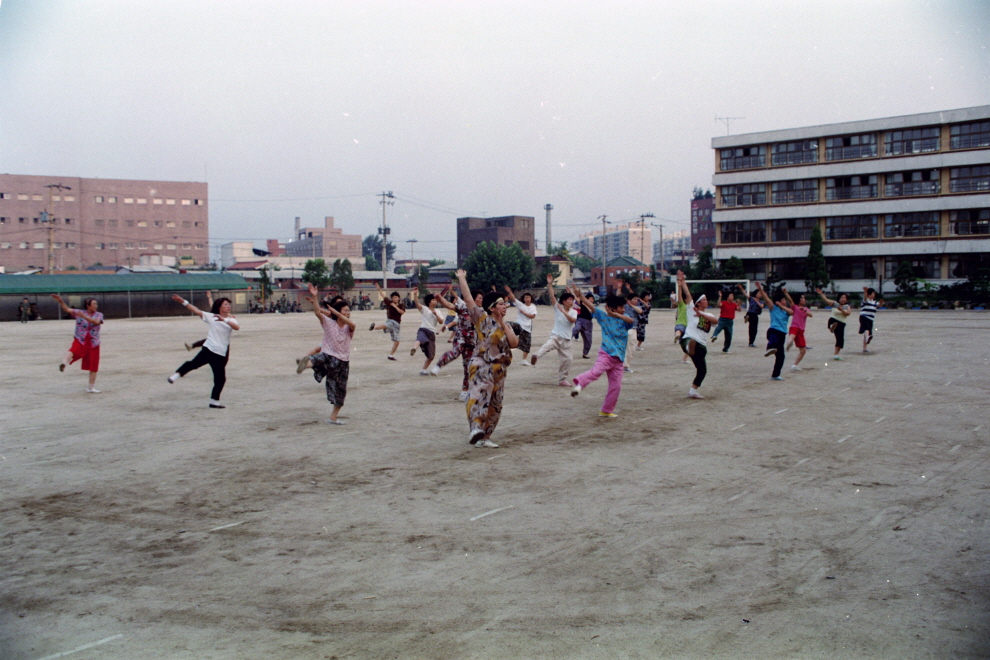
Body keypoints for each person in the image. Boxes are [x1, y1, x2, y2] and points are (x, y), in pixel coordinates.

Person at [457, 269, 518, 449]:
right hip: (482, 364)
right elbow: (469, 300)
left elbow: (514, 343)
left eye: (506, 304)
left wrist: (503, 325)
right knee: (479, 395)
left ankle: (485, 436)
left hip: (500, 369)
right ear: (492, 307)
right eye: (501, 304)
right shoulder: (481, 318)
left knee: (496, 404)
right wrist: (462, 279)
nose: (505, 306)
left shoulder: (507, 325)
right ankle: (475, 428)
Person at [569, 287, 636, 417]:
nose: (623, 309)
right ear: (611, 307)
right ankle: (579, 385)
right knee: (595, 372)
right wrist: (581, 297)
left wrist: (617, 314)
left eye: (623, 307)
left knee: (616, 387)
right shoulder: (603, 316)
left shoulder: (624, 317)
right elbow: (592, 307)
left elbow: (631, 321)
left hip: (619, 358)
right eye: (620, 307)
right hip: (606, 353)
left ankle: (606, 410)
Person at [167, 294, 239, 408]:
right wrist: (183, 301)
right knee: (193, 364)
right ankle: (176, 375)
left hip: (220, 353)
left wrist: (224, 319)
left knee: (220, 379)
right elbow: (196, 310)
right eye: (226, 304)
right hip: (209, 349)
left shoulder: (231, 319)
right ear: (219, 307)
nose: (228, 306)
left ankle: (214, 401)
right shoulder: (211, 317)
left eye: (229, 304)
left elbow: (236, 327)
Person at [301, 292, 355, 425]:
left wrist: (336, 313)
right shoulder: (329, 323)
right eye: (346, 310)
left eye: (349, 310)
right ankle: (305, 364)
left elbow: (353, 324)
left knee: (340, 391)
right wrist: (314, 297)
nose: (348, 312)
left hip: (343, 361)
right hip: (329, 355)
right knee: (320, 357)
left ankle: (333, 417)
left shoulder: (349, 326)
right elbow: (318, 313)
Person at [431, 285, 483, 401]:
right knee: (455, 352)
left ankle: (464, 391)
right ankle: (438, 366)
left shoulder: (481, 311)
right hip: (461, 338)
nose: (481, 300)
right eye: (479, 298)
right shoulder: (463, 307)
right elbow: (449, 305)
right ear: (472, 299)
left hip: (473, 342)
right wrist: (440, 299)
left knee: (468, 367)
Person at [529, 273, 578, 386]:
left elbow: (572, 320)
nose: (571, 302)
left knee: (567, 360)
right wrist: (549, 284)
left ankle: (562, 380)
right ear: (564, 301)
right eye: (569, 300)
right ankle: (536, 356)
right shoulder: (557, 307)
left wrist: (563, 311)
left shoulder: (573, 311)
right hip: (556, 335)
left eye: (572, 300)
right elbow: (552, 296)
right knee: (546, 347)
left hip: (566, 339)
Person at [676, 271, 718, 399]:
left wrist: (702, 314)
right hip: (687, 339)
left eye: (706, 299)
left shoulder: (709, 315)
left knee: (702, 370)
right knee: (690, 341)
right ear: (698, 303)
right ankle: (689, 349)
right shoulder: (691, 309)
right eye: (703, 300)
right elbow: (688, 295)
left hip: (701, 345)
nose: (706, 301)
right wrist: (682, 282)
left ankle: (692, 391)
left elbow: (716, 321)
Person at [51, 294, 104, 393]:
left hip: (93, 341)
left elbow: (97, 322)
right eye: (94, 304)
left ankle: (91, 387)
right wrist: (60, 301)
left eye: (96, 304)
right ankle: (64, 362)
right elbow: (67, 309)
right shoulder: (79, 312)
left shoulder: (99, 314)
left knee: (94, 364)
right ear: (88, 306)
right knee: (73, 350)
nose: (96, 306)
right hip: (81, 338)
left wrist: (85, 317)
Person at [756, 282, 792, 380]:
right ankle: (769, 348)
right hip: (773, 330)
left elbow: (792, 312)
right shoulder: (773, 308)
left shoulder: (786, 310)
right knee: (773, 340)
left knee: (781, 356)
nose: (785, 301)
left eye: (785, 300)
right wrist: (760, 289)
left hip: (782, 334)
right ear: (778, 301)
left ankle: (775, 375)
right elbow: (766, 298)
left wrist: (782, 306)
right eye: (783, 300)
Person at [410, 291, 445, 374]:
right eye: (433, 300)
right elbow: (417, 304)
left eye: (436, 300)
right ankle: (414, 348)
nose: (435, 301)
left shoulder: (438, 311)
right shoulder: (425, 309)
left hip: (431, 333)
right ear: (429, 302)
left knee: (431, 356)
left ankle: (423, 370)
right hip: (423, 329)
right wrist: (415, 294)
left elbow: (441, 322)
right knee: (420, 338)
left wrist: (436, 314)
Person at [369, 283, 405, 360]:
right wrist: (379, 289)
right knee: (387, 325)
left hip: (397, 324)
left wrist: (395, 307)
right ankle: (375, 327)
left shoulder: (401, 305)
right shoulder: (389, 303)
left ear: (398, 298)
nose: (394, 299)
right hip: (391, 321)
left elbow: (402, 312)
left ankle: (391, 355)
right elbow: (383, 296)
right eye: (393, 298)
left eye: (396, 297)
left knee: (397, 342)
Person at [504, 286, 537, 363]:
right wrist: (510, 291)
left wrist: (524, 313)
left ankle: (524, 360)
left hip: (527, 327)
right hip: (519, 325)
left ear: (531, 298)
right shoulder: (521, 305)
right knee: (507, 324)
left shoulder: (533, 307)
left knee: (527, 344)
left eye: (529, 297)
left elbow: (532, 316)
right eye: (526, 297)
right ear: (524, 299)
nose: (527, 299)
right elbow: (513, 298)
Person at [817, 288, 852, 360]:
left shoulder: (847, 306)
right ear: (839, 298)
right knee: (833, 322)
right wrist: (821, 294)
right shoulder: (835, 304)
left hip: (841, 323)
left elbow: (848, 314)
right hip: (834, 320)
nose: (843, 299)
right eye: (842, 297)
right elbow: (826, 300)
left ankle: (836, 355)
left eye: (845, 298)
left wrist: (841, 310)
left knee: (840, 339)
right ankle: (831, 327)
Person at [784, 290, 813, 370]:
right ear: (799, 300)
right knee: (792, 337)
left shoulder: (806, 308)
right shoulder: (795, 307)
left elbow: (811, 315)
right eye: (802, 298)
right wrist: (786, 293)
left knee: (803, 350)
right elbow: (790, 300)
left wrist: (804, 310)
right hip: (794, 327)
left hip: (801, 331)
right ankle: (788, 344)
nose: (804, 300)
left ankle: (794, 365)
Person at [709, 289, 739, 353]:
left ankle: (726, 349)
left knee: (729, 336)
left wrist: (739, 304)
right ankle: (714, 336)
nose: (732, 297)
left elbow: (739, 309)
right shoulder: (724, 303)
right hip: (723, 319)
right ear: (727, 297)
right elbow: (718, 304)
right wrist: (720, 296)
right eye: (731, 296)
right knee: (718, 328)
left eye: (733, 296)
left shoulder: (734, 304)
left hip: (730, 321)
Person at [572, 291, 595, 359]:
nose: (592, 300)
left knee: (588, 340)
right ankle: (566, 338)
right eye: (591, 298)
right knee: (576, 329)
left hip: (588, 323)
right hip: (580, 320)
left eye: (593, 299)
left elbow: (591, 311)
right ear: (587, 299)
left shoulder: (592, 307)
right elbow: (576, 298)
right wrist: (571, 291)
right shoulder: (582, 303)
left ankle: (585, 354)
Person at [673, 271, 690, 363]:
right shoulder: (682, 305)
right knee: (679, 329)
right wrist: (679, 286)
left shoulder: (692, 308)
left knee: (688, 345)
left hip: (689, 327)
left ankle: (684, 358)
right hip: (681, 323)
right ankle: (677, 335)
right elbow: (679, 296)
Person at [741, 283, 764, 347]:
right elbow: (745, 294)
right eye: (759, 293)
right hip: (750, 313)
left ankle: (751, 342)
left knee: (753, 329)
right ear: (756, 293)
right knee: (750, 316)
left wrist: (757, 301)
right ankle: (747, 317)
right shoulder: (751, 298)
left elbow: (761, 306)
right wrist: (741, 288)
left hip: (755, 315)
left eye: (760, 293)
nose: (760, 294)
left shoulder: (761, 302)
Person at [859, 287, 878, 353]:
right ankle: (868, 338)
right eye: (872, 293)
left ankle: (864, 348)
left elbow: (879, 305)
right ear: (869, 295)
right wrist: (865, 292)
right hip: (864, 317)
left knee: (867, 332)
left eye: (874, 293)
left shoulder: (874, 302)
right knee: (867, 329)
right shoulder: (866, 300)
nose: (873, 295)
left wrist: (881, 303)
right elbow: (864, 298)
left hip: (871, 319)